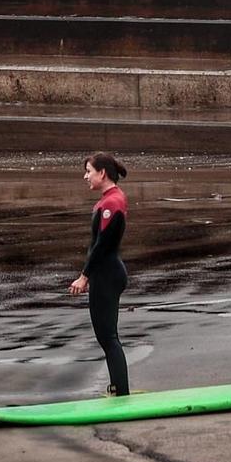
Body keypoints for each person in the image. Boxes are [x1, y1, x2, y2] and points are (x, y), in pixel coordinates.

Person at [68, 151, 130, 397]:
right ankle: (118, 388)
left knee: (108, 337)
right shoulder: (110, 199)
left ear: (102, 173)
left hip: (107, 275)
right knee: (107, 336)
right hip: (107, 273)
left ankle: (120, 392)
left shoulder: (111, 203)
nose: (86, 176)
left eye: (89, 171)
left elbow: (102, 246)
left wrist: (84, 276)